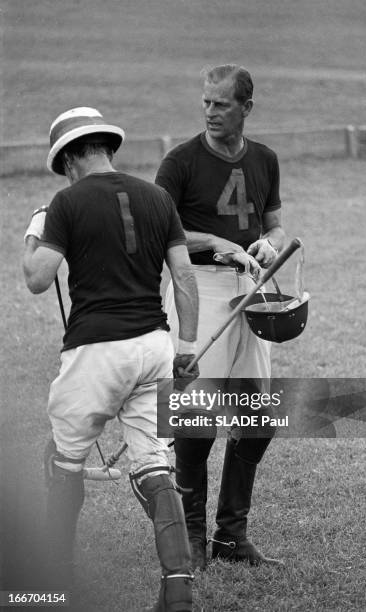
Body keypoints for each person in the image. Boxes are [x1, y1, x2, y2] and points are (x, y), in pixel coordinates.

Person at [23, 107, 200, 612]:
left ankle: (52, 584)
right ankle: (179, 589)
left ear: (73, 156)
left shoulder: (65, 201)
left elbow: (37, 277)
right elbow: (183, 279)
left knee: (62, 460)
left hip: (96, 351)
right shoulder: (158, 197)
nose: (67, 175)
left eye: (65, 167)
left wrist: (35, 230)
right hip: (154, 347)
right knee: (154, 464)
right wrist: (186, 349)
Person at [155, 64, 285, 570]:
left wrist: (266, 245)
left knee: (257, 416)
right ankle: (190, 534)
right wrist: (214, 243)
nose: (209, 111)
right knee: (195, 417)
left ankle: (232, 535)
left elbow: (274, 227)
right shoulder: (181, 161)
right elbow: (160, 230)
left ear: (246, 108)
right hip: (198, 289)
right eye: (206, 102)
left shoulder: (266, 160)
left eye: (221, 104)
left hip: (249, 290)